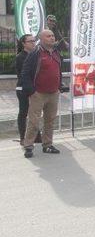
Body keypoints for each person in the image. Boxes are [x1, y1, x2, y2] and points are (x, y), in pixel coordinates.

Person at [20, 30, 64, 158]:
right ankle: (28, 146)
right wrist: (31, 91)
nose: (52, 38)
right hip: (38, 93)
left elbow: (58, 71)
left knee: (50, 120)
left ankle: (47, 145)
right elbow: (25, 73)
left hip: (53, 93)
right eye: (48, 36)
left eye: (53, 35)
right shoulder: (35, 53)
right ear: (42, 39)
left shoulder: (56, 52)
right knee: (34, 121)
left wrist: (59, 85)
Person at [15, 34, 40, 145]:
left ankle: (36, 135)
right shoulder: (20, 57)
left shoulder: (36, 55)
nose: (33, 43)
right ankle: (22, 137)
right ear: (23, 43)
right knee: (24, 113)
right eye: (30, 41)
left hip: (35, 88)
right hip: (23, 89)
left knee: (35, 113)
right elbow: (25, 75)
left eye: (34, 41)